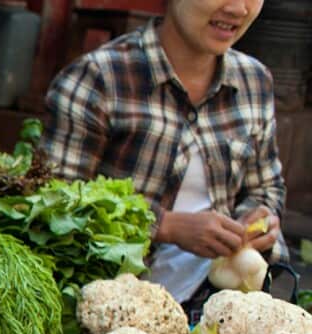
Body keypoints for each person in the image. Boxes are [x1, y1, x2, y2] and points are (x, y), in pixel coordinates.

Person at [41, 0, 286, 312]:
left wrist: (255, 221)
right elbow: (55, 204)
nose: (239, 8)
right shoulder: (100, 77)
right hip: (108, 308)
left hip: (213, 307)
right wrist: (166, 225)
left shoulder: (254, 80)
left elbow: (267, 187)